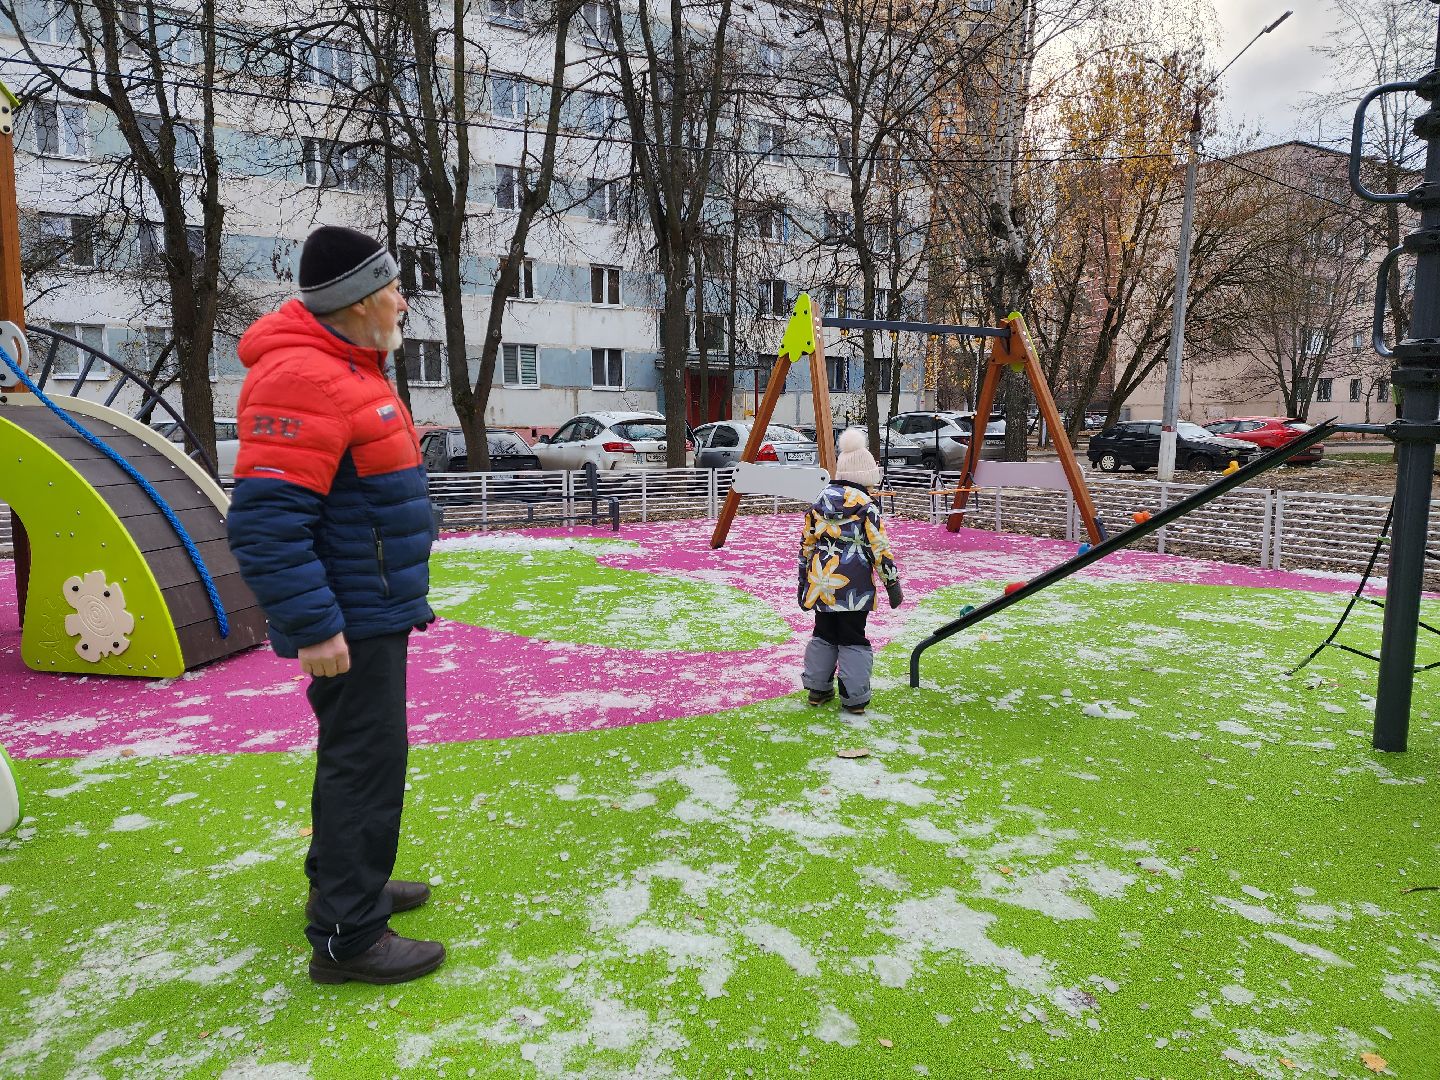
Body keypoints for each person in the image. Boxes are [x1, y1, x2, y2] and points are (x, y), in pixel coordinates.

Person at [226, 225, 445, 985]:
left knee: (360, 756)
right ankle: (349, 936)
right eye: (391, 287)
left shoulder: (351, 367)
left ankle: (344, 882)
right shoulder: (305, 378)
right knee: (366, 763)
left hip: (373, 603)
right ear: (355, 301)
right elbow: (265, 524)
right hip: (349, 617)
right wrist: (317, 627)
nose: (402, 300)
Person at [797, 427, 903, 715]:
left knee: (824, 633)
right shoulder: (867, 508)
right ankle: (854, 698)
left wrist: (803, 578)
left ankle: (818, 689)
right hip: (853, 586)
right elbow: (878, 547)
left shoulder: (818, 503)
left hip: (822, 581)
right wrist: (891, 582)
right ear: (864, 477)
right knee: (853, 636)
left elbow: (807, 543)